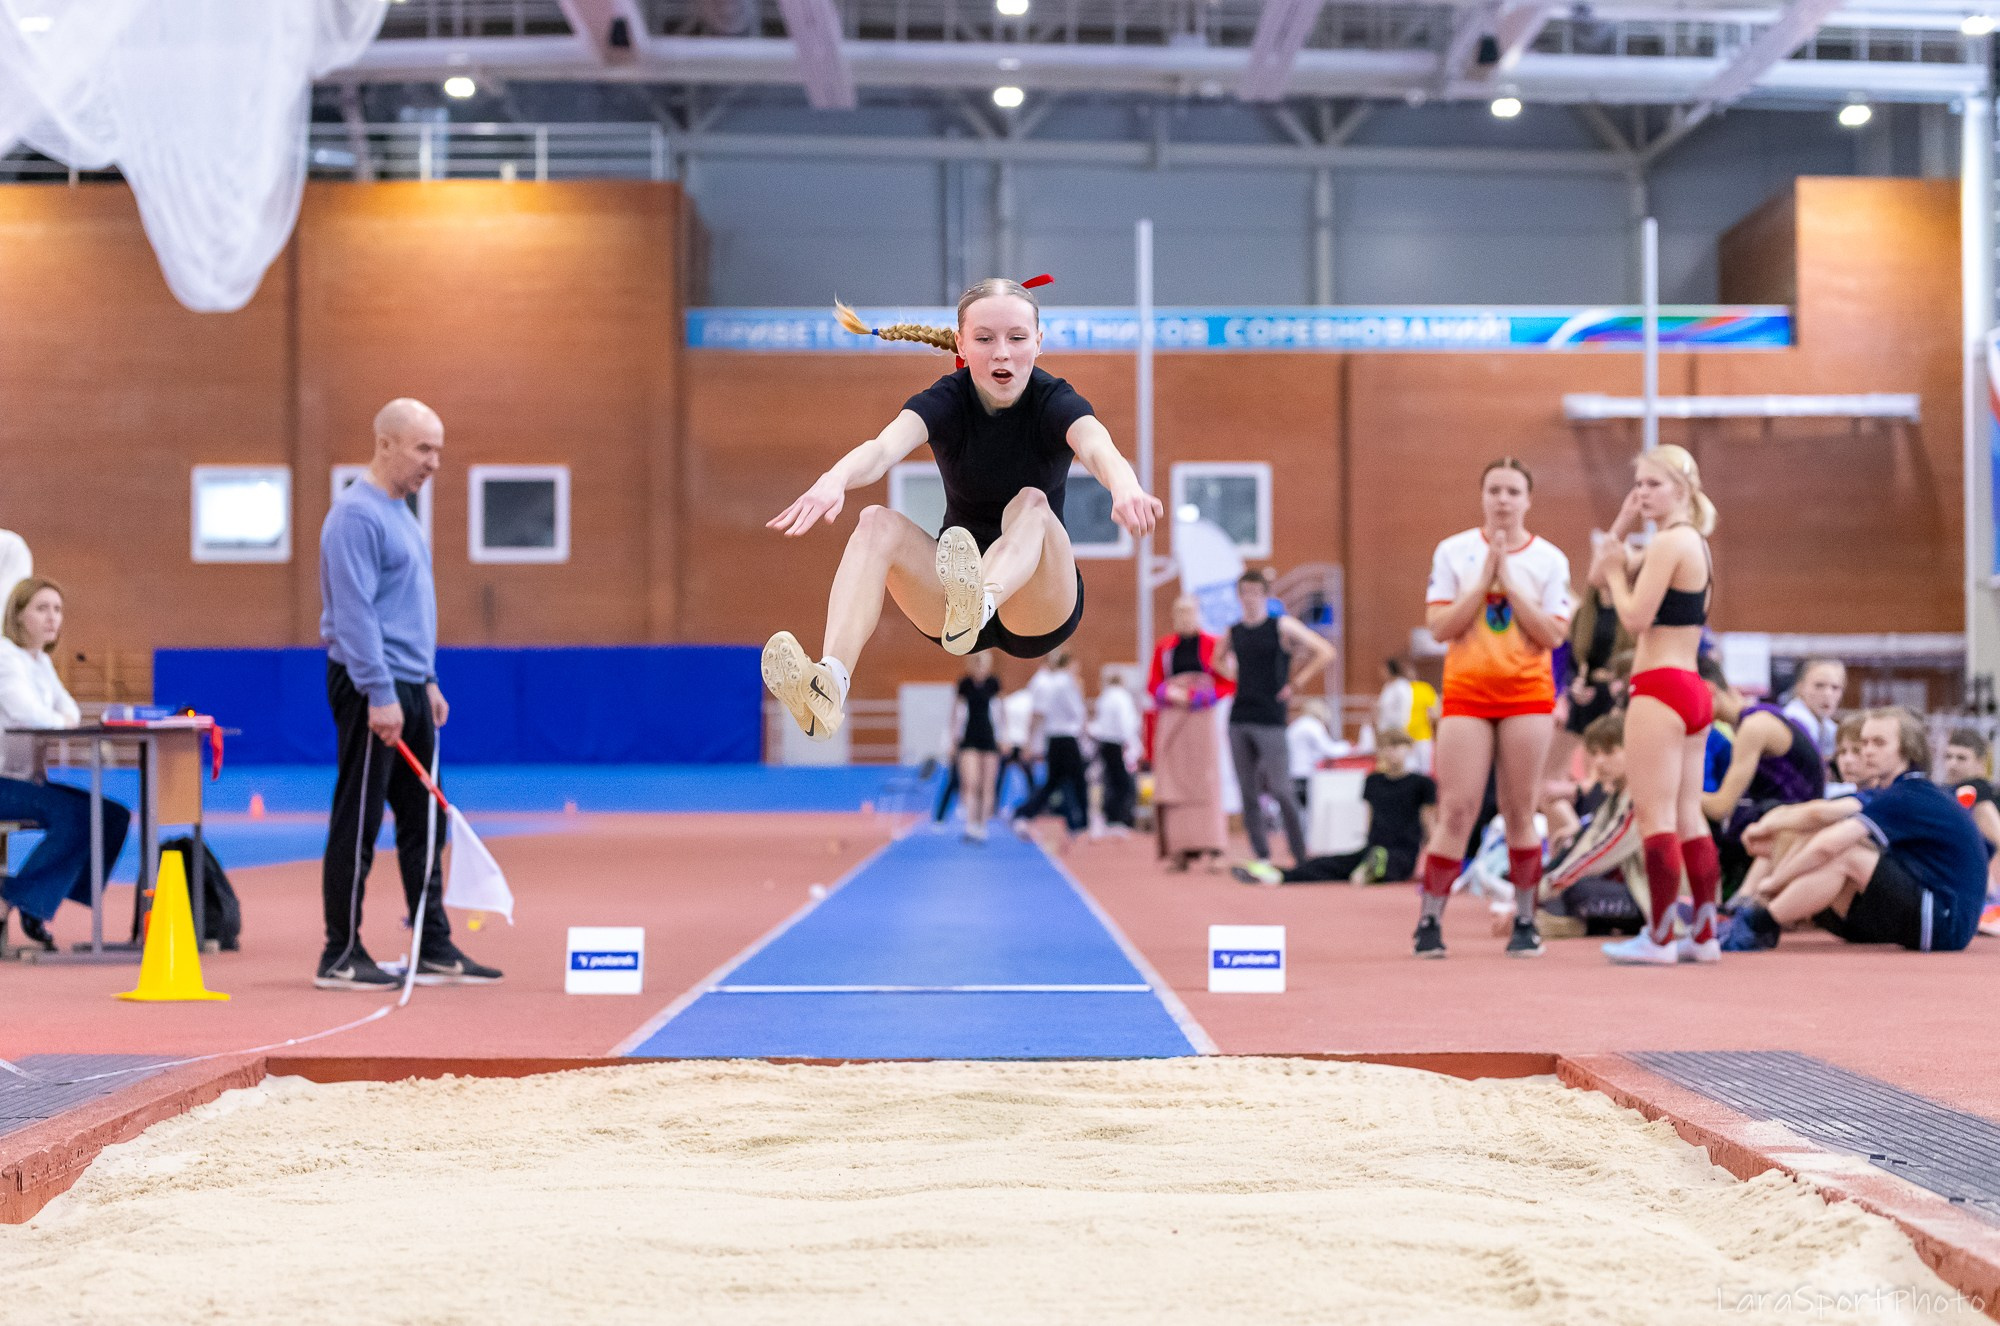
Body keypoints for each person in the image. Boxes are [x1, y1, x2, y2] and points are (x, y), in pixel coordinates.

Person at [761, 279, 1163, 742]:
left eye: (1016, 338)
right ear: (961, 343)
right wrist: (834, 479)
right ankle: (831, 681)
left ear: (1038, 341)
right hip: (951, 606)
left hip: (1038, 602)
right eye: (985, 338)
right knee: (874, 522)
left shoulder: (1055, 400)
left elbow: (1097, 446)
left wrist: (1126, 486)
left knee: (1030, 502)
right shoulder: (946, 400)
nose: (1001, 354)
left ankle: (982, 597)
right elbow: (881, 449)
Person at [317, 398, 500, 991]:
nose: (435, 463)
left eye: (439, 450)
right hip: (373, 685)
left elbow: (405, 610)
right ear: (386, 443)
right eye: (425, 449)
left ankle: (431, 943)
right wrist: (380, 692)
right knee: (361, 819)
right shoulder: (354, 516)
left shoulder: (402, 513)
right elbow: (355, 615)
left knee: (426, 821)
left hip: (409, 684)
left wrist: (426, 680)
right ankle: (340, 952)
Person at [1413, 458, 1574, 960]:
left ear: (1528, 499)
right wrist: (1484, 579)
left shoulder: (1549, 559)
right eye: (1494, 490)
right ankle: (1429, 921)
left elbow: (1552, 634)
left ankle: (1527, 919)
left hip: (1526, 694)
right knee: (1456, 809)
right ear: (1482, 496)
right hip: (1466, 692)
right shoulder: (1454, 551)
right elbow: (1440, 629)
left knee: (1520, 809)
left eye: (1512, 491)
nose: (1503, 500)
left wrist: (1511, 579)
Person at [1590, 444, 1722, 967]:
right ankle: (1703, 932)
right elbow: (1597, 577)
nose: (1642, 493)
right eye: (1638, 484)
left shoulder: (1670, 542)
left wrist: (1622, 573)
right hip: (1690, 687)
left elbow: (1633, 617)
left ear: (1682, 489)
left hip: (1660, 686)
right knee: (1689, 814)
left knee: (1655, 816)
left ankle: (1661, 936)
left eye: (1652, 485)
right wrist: (1622, 524)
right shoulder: (1691, 542)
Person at [1725, 709, 1987, 953]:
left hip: (1945, 922)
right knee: (1832, 846)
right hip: (1937, 911)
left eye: (1879, 743)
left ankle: (1759, 920)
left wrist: (1772, 884)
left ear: (1907, 750)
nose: (1867, 752)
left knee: (1845, 853)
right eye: (1865, 743)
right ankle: (1762, 920)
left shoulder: (1908, 795)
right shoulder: (1899, 791)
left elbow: (1829, 844)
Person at [0, 577, 131, 950]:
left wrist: (60, 718)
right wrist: (59, 719)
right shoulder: (6, 659)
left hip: (27, 783)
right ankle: (14, 899)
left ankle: (37, 901)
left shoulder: (39, 661)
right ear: (18, 615)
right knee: (78, 817)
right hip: (5, 782)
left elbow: (68, 708)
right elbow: (32, 716)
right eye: (42, 608)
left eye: (57, 609)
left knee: (112, 816)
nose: (52, 617)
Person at [1214, 570, 1337, 872]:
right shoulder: (1234, 631)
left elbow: (1325, 651)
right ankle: (1262, 854)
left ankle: (1300, 854)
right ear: (1239, 596)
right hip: (1240, 716)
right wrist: (1235, 677)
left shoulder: (1281, 626)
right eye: (1246, 593)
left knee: (1282, 788)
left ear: (1265, 596)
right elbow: (1216, 660)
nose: (1251, 598)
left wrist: (1297, 683)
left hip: (1271, 718)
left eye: (1256, 592)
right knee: (1248, 791)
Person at [1237, 727, 1433, 885]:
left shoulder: (1421, 783)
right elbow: (1370, 817)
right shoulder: (1373, 781)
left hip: (1403, 851)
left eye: (1396, 746)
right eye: (1386, 747)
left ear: (1409, 748)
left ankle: (1373, 868)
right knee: (1328, 864)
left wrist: (1432, 861)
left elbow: (1428, 823)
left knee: (1391, 864)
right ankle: (1279, 875)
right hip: (1372, 847)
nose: (1391, 752)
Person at [1698, 654, 1825, 897]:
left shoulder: (1755, 726)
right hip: (1782, 818)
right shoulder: (1752, 720)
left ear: (1709, 690)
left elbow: (1720, 807)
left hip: (1794, 826)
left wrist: (1670, 791)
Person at [1148, 594, 1230, 871]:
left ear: (1198, 614)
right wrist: (1167, 693)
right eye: (1179, 612)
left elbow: (1228, 681)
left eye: (1189, 612)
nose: (1185, 617)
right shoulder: (1165, 647)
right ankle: (1179, 849)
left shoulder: (1213, 645)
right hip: (1173, 718)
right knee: (1173, 780)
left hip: (1201, 718)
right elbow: (1153, 683)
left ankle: (1214, 847)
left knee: (1206, 780)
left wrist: (1205, 697)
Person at [1547, 580, 1631, 784]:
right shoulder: (1584, 613)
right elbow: (1572, 659)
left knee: (1598, 775)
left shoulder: (1629, 613)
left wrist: (1616, 685)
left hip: (1613, 697)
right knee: (1550, 781)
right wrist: (1573, 686)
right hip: (1584, 695)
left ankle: (1593, 807)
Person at [1014, 649, 1089, 838]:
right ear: (1069, 664)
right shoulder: (1066, 682)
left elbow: (1040, 713)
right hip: (1066, 737)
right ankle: (1082, 823)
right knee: (1078, 780)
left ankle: (1026, 811)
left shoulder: (1049, 682)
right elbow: (1076, 711)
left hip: (1053, 737)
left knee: (1053, 782)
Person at [1938, 726, 2000, 894]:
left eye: (1961, 758)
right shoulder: (1947, 790)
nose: (1952, 764)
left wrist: (1990, 890)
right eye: (1948, 757)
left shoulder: (1978, 792)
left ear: (1980, 762)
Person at [949, 652, 1002, 842]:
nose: (980, 668)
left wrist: (1004, 737)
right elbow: (955, 713)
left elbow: (1001, 711)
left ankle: (982, 824)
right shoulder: (965, 684)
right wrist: (953, 740)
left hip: (988, 737)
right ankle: (970, 824)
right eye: (977, 664)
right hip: (969, 737)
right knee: (971, 782)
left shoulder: (993, 683)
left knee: (986, 785)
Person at [1088, 672, 1140, 833]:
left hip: (1105, 742)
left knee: (1110, 780)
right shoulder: (1122, 696)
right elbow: (1126, 720)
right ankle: (1122, 817)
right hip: (1118, 742)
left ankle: (1110, 815)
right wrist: (1129, 741)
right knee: (1123, 782)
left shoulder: (1104, 697)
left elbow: (1099, 721)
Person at [1780, 657, 1847, 769]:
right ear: (1800, 688)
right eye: (1819, 686)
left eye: (1835, 687)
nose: (1828, 694)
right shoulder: (1796, 720)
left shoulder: (1828, 726)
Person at [1286, 696, 1343, 809]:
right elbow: (1329, 749)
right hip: (1303, 775)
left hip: (1292, 773)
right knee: (1307, 811)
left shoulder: (1297, 725)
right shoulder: (1312, 726)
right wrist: (1348, 747)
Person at [1375, 659, 1414, 741]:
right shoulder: (1387, 686)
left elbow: (1405, 707)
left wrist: (1399, 726)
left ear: (1390, 670)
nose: (1382, 673)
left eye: (1384, 670)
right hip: (1384, 728)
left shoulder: (1402, 686)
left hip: (1397, 728)